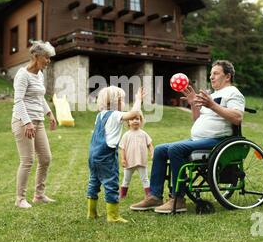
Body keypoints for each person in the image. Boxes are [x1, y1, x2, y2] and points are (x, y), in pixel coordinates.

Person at [130, 60, 245, 214]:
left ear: (228, 76)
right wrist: (193, 104)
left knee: (176, 149)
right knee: (160, 149)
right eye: (211, 74)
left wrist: (212, 105)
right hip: (199, 140)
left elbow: (237, 117)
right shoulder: (212, 94)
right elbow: (198, 121)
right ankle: (155, 196)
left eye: (216, 73)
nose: (211, 77)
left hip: (218, 141)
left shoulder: (233, 93)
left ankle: (178, 199)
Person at [87, 86, 145, 223]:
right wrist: (138, 100)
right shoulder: (115, 114)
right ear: (116, 102)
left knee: (94, 182)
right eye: (123, 100)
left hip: (93, 155)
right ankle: (113, 216)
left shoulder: (100, 115)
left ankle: (91, 212)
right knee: (111, 183)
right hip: (106, 155)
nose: (124, 103)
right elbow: (134, 113)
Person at [11, 40, 57, 208]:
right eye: (46, 57)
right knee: (27, 160)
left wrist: (50, 113)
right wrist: (27, 122)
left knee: (45, 158)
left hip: (38, 121)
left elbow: (39, 97)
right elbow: (18, 101)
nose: (48, 61)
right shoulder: (22, 74)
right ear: (36, 57)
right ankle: (20, 199)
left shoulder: (40, 74)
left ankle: (39, 195)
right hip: (23, 122)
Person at [119, 111, 154, 199]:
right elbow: (122, 148)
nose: (135, 121)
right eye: (132, 119)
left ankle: (149, 195)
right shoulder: (126, 135)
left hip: (141, 161)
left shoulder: (143, 134)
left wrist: (152, 153)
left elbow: (150, 144)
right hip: (129, 161)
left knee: (145, 179)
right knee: (126, 179)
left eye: (137, 119)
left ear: (141, 121)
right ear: (128, 122)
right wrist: (123, 159)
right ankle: (122, 194)